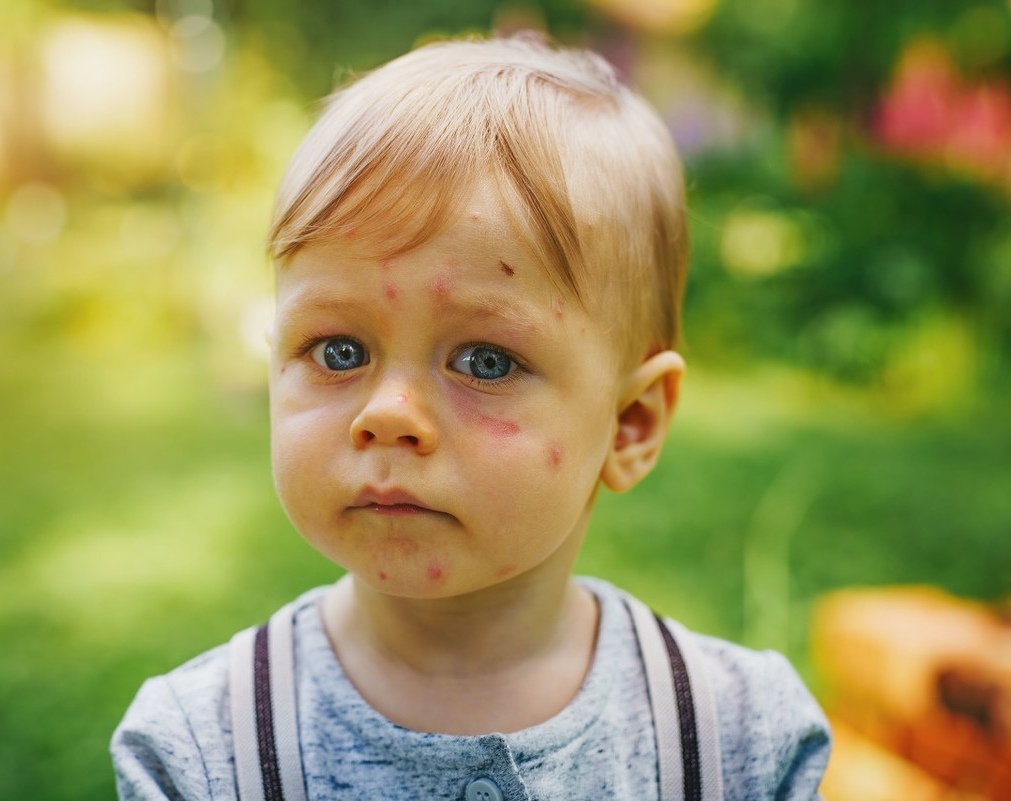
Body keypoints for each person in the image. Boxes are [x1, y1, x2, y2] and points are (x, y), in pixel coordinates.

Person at [111, 33, 831, 800]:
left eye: (484, 361)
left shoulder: (736, 742)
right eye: (338, 349)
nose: (387, 415)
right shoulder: (202, 749)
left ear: (630, 424)